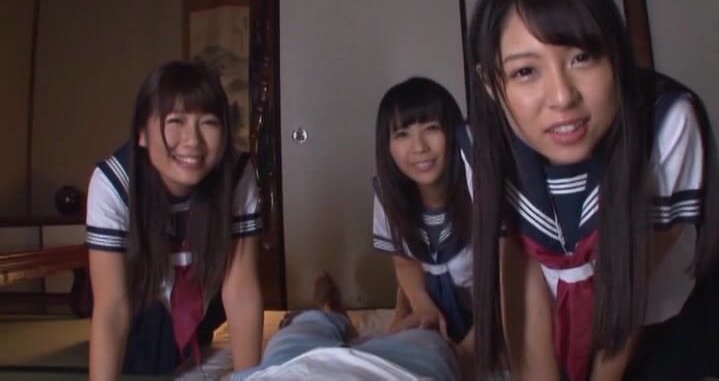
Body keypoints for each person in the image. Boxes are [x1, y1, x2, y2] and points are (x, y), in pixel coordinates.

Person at [466, 0, 719, 380]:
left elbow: (629, 281)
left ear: (615, 54)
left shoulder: (667, 123)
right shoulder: (483, 146)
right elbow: (520, 268)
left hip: (661, 326)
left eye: (582, 57)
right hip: (562, 327)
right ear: (491, 85)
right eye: (526, 71)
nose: (562, 96)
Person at [85, 61, 263, 377]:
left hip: (204, 293)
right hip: (142, 298)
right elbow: (112, 306)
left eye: (208, 122)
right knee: (145, 358)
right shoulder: (113, 183)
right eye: (175, 121)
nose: (192, 140)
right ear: (141, 132)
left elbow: (241, 289)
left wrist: (251, 377)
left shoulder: (237, 173)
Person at [371, 77, 474, 365]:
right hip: (435, 308)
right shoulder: (387, 194)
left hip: (496, 311)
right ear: (387, 145)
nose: (419, 147)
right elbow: (404, 261)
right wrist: (423, 306)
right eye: (402, 134)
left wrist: (468, 353)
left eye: (431, 128)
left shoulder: (479, 184)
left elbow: (510, 286)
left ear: (454, 132)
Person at [231, 273, 461, 380]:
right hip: (399, 370)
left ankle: (331, 313)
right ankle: (401, 316)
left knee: (303, 324)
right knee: (430, 334)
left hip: (289, 364)